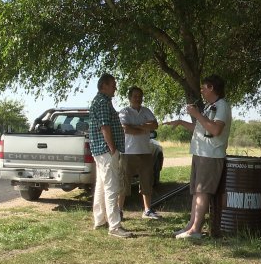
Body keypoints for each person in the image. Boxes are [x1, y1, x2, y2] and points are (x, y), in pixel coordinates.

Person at [163, 75, 232, 239]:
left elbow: (215, 130)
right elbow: (199, 127)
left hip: (211, 155)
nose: (201, 91)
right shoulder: (211, 106)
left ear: (211, 88)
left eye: (203, 88)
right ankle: (191, 226)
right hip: (201, 153)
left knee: (203, 191)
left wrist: (196, 113)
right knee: (196, 191)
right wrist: (180, 122)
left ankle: (196, 230)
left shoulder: (222, 106)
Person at [89, 73, 133, 238]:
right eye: (113, 84)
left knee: (101, 186)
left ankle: (100, 220)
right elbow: (105, 127)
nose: (115, 87)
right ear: (104, 86)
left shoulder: (101, 101)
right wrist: (112, 148)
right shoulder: (102, 102)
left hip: (102, 151)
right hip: (106, 151)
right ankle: (114, 227)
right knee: (111, 188)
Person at [118, 86, 161, 220]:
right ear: (130, 97)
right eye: (135, 96)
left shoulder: (146, 111)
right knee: (124, 182)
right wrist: (143, 128)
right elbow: (126, 128)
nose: (138, 98)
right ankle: (118, 211)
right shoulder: (124, 111)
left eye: (140, 96)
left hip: (145, 152)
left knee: (147, 181)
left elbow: (155, 125)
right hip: (128, 152)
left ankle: (147, 210)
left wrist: (137, 126)